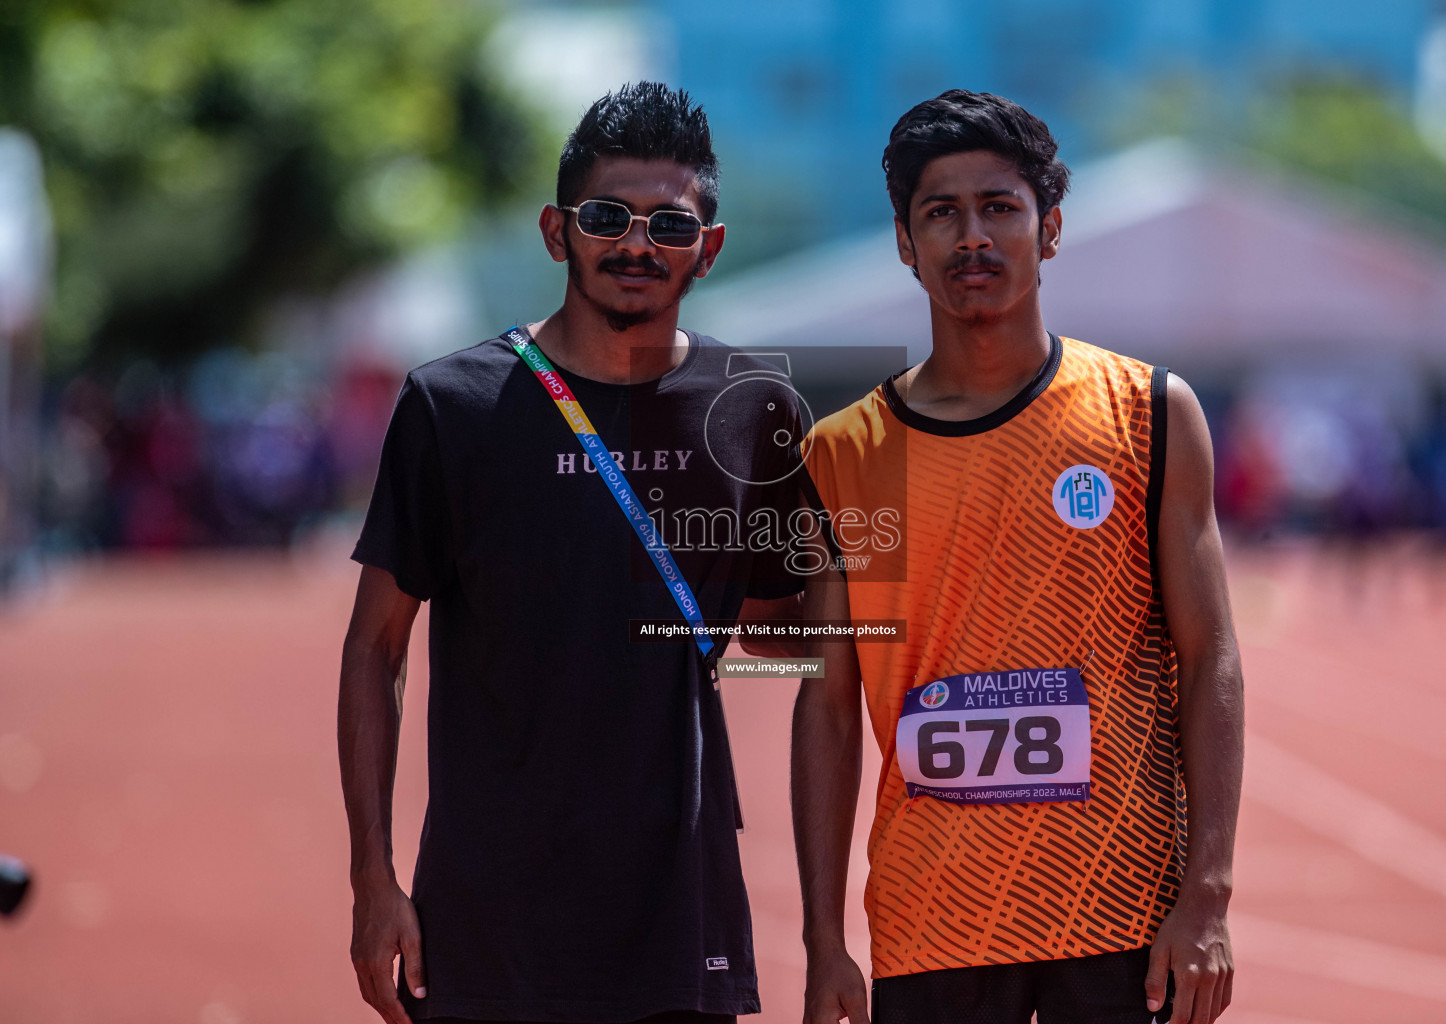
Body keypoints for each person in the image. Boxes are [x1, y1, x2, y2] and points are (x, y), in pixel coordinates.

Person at [339, 82, 805, 1024]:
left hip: (680, 916)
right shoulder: (453, 407)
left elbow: (780, 641)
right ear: (557, 231)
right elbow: (375, 650)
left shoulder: (755, 412)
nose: (637, 245)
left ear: (707, 250)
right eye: (607, 217)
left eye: (669, 226)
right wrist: (373, 880)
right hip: (489, 922)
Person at [791, 90, 1244, 1024]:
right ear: (904, 243)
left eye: (1000, 207)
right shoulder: (842, 452)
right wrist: (823, 941)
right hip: (932, 921)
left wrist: (1206, 897)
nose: (972, 237)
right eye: (940, 213)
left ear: (1052, 230)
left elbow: (1212, 660)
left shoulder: (1151, 415)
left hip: (1122, 914)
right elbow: (828, 706)